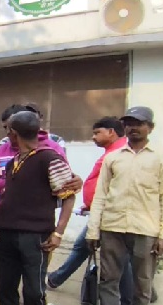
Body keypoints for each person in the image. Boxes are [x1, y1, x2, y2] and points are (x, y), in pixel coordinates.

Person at [0, 112, 76, 305]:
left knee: (34, 291)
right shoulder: (14, 162)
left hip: (36, 236)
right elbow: (6, 199)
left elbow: (68, 196)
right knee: (6, 286)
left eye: (8, 130)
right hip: (6, 234)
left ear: (12, 133)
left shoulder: (50, 158)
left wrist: (58, 233)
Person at [86, 106, 163, 305]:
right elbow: (101, 196)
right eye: (129, 123)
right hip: (112, 226)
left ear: (150, 128)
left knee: (142, 286)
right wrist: (93, 231)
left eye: (139, 123)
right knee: (108, 280)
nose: (133, 127)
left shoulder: (162, 157)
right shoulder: (113, 157)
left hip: (146, 229)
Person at [47, 117, 128, 289]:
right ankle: (56, 278)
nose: (93, 137)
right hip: (99, 211)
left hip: (109, 214)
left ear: (111, 132)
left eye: (97, 133)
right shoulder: (111, 152)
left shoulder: (120, 154)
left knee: (116, 255)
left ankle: (134, 295)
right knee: (85, 247)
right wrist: (90, 204)